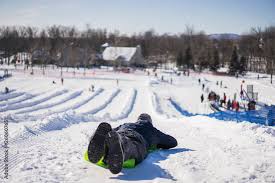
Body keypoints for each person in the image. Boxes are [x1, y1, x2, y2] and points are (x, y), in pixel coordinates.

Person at [87, 113, 177, 174]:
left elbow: (112, 133)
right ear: (149, 121)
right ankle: (122, 148)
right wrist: (158, 143)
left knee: (118, 138)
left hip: (122, 131)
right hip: (137, 138)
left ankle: (105, 146)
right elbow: (172, 142)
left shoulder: (126, 124)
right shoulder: (152, 129)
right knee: (132, 147)